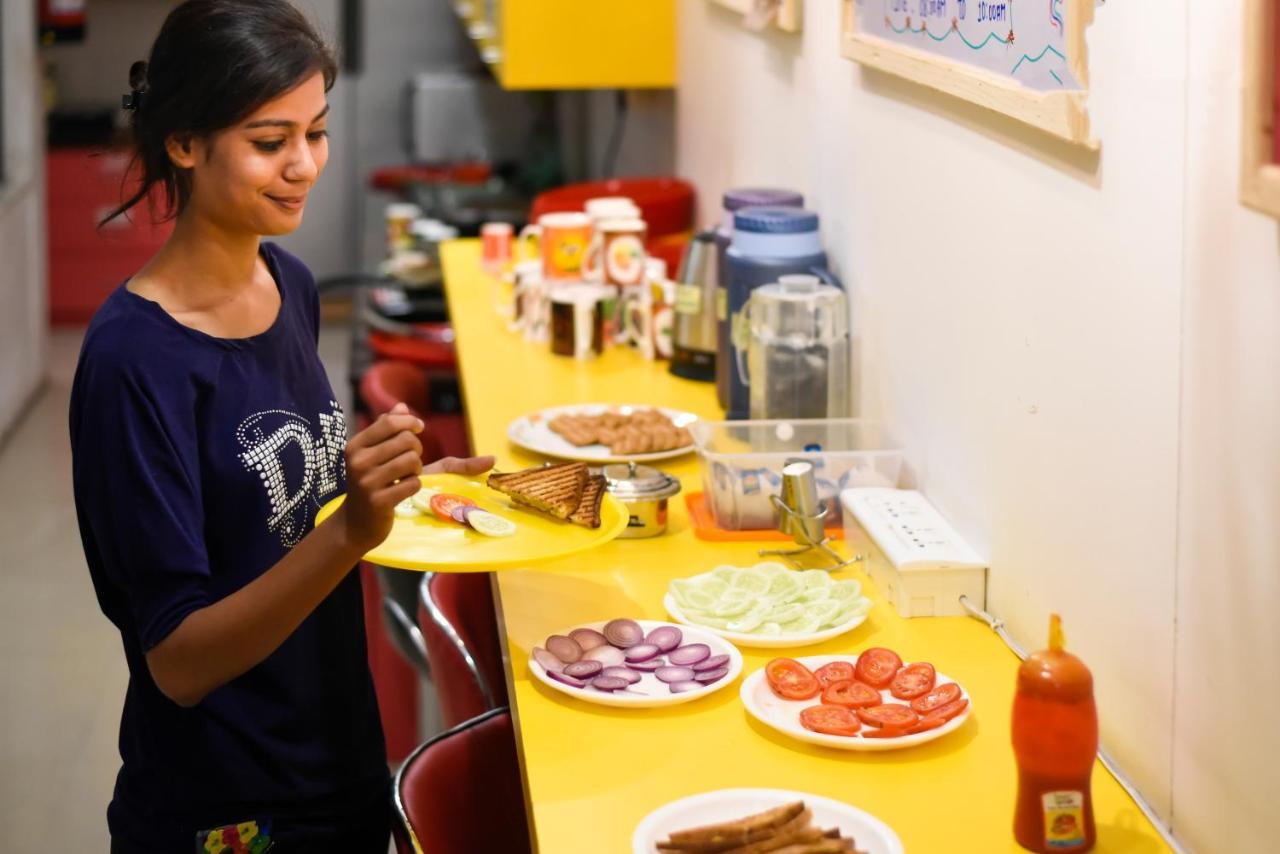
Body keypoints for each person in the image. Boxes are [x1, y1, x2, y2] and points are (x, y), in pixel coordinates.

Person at [68, 2, 493, 850]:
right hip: (229, 807)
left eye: (317, 132)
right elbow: (179, 663)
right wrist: (352, 533)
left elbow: (282, 509)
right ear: (184, 142)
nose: (304, 165)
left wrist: (408, 491)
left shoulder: (287, 283)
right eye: (270, 142)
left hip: (337, 757)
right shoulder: (133, 362)